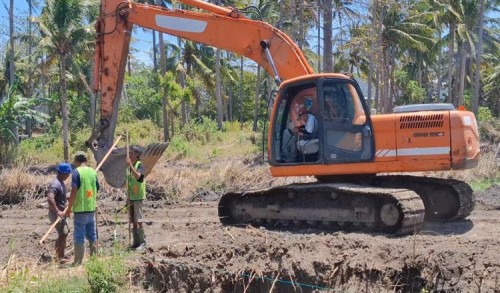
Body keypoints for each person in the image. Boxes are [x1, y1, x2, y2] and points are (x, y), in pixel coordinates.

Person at [65, 151, 99, 265]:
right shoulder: (92, 172)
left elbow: (74, 190)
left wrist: (69, 208)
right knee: (92, 235)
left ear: (76, 161)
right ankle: (94, 260)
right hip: (91, 208)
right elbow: (96, 187)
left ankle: (78, 261)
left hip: (80, 209)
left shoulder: (76, 172)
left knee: (79, 236)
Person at [46, 162, 72, 264]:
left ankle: (61, 254)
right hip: (56, 214)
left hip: (61, 213)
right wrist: (57, 211)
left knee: (65, 233)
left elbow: (59, 197)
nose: (68, 176)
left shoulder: (60, 182)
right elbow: (50, 198)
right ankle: (58, 256)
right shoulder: (55, 184)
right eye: (67, 174)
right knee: (63, 233)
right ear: (61, 173)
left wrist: (69, 198)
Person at [127, 145, 147, 250]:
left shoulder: (140, 165)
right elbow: (128, 183)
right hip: (131, 197)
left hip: (138, 196)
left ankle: (142, 242)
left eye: (131, 153)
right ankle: (135, 242)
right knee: (133, 220)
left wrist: (131, 165)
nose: (130, 155)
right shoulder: (128, 168)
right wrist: (128, 197)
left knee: (139, 219)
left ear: (137, 155)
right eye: (129, 153)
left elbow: (139, 178)